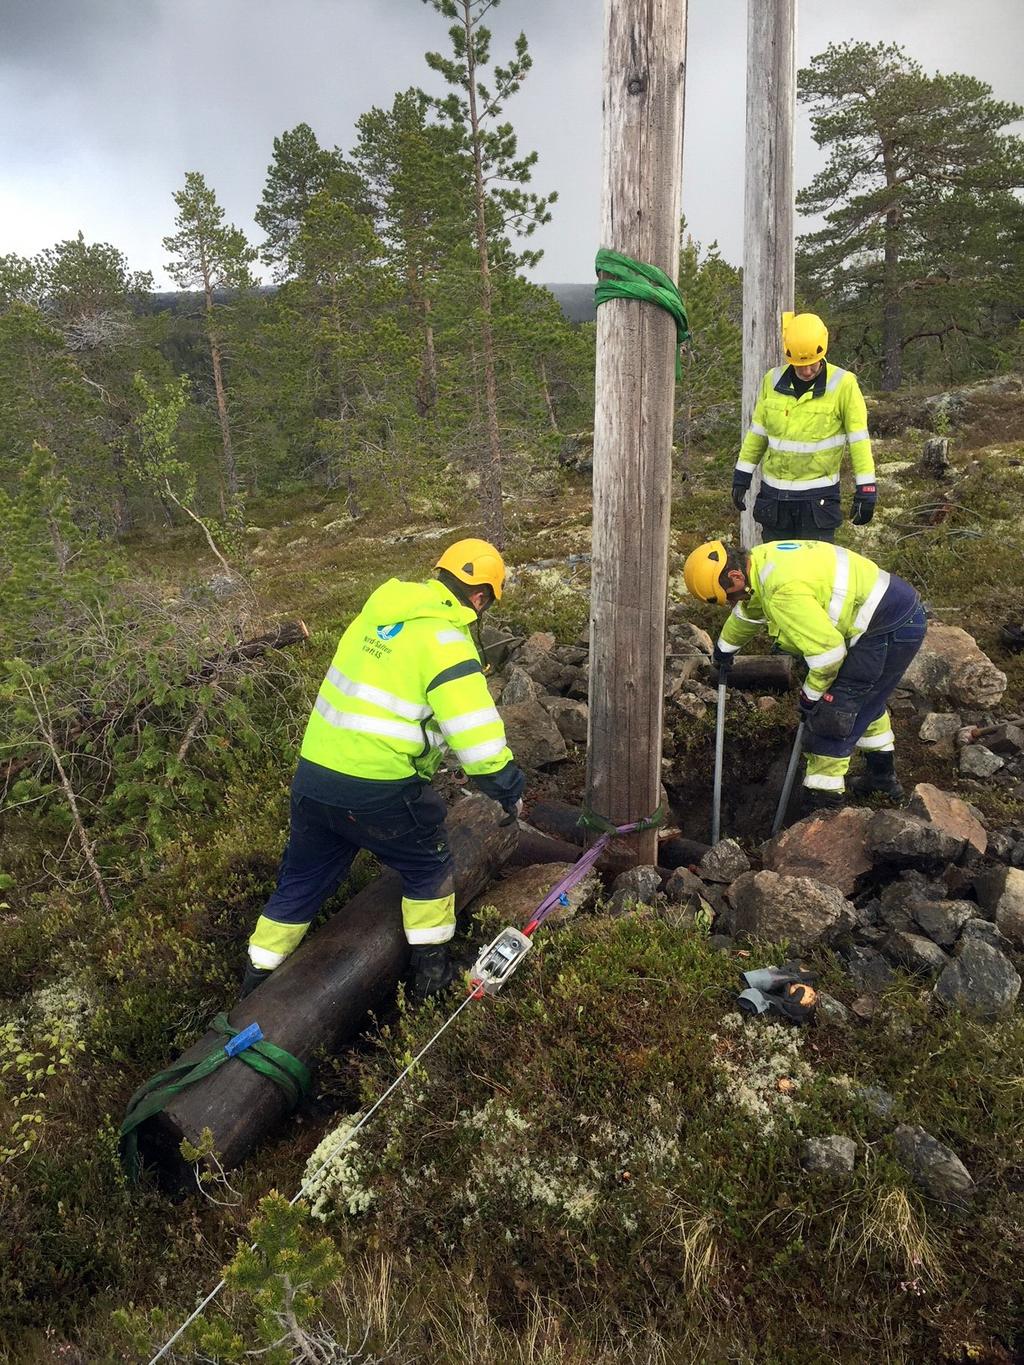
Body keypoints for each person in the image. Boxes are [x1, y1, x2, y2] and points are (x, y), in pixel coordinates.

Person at [243, 538, 526, 1001]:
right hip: (378, 790)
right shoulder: (447, 643)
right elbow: (477, 740)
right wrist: (508, 786)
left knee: (301, 880)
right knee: (428, 865)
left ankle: (256, 980)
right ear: (480, 597)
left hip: (314, 778)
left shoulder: (375, 616)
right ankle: (431, 980)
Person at [683, 538, 926, 813]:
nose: (730, 603)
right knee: (864, 700)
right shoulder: (762, 563)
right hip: (893, 613)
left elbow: (828, 656)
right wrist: (724, 650)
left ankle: (823, 809)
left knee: (833, 715)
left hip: (888, 628)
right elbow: (749, 611)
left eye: (729, 596)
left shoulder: (781, 591)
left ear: (736, 576)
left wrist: (810, 697)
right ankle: (881, 780)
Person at [731, 312, 877, 543]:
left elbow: (859, 440)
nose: (807, 371)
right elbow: (757, 434)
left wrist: (866, 489)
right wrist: (742, 476)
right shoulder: (772, 380)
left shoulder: (843, 384)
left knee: (813, 576)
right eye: (800, 365)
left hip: (818, 502)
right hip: (775, 500)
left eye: (811, 364)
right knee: (776, 574)